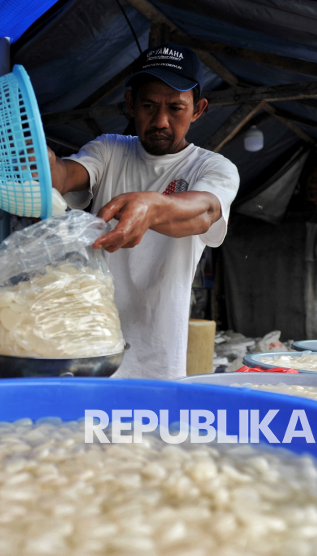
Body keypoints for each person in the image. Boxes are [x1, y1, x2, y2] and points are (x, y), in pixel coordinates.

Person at [47, 43, 239, 379]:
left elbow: (205, 211)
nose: (160, 121)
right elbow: (64, 176)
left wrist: (153, 207)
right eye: (149, 105)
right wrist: (44, 164)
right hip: (89, 347)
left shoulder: (213, 168)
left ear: (198, 109)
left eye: (176, 108)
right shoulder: (109, 149)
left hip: (158, 358)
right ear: (131, 103)